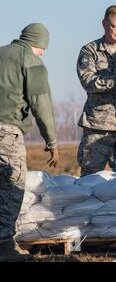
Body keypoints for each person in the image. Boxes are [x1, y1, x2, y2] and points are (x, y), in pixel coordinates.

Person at [0, 23, 58, 261]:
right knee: (11, 187)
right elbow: (40, 103)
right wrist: (51, 140)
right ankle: (4, 247)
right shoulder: (31, 62)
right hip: (6, 134)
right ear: (39, 43)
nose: (43, 53)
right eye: (43, 48)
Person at [76, 5, 116, 176]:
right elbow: (88, 81)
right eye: (115, 26)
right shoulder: (90, 51)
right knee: (89, 177)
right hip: (98, 126)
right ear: (104, 24)